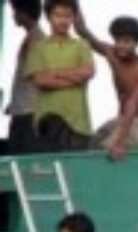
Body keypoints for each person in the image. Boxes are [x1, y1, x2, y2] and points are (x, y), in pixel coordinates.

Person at [74, 7, 138, 160]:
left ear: (136, 43)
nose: (121, 46)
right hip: (122, 119)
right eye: (118, 41)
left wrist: (119, 142)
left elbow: (132, 104)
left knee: (105, 150)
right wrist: (74, 5)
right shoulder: (112, 54)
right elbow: (82, 31)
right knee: (90, 143)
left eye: (127, 41)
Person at [25, 0, 93, 152]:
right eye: (58, 15)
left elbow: (88, 72)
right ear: (48, 17)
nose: (63, 20)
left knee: (76, 172)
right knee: (49, 172)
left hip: (79, 123)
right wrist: (75, 80)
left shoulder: (82, 45)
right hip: (46, 122)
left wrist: (55, 73)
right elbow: (41, 81)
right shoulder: (38, 48)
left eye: (68, 16)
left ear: (74, 18)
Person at [6, 0, 44, 155]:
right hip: (21, 111)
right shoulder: (31, 37)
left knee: (22, 161)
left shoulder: (37, 39)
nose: (13, 15)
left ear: (23, 13)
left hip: (29, 115)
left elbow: (39, 77)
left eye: (15, 11)